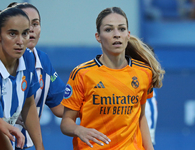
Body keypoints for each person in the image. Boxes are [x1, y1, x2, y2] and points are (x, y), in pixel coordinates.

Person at [60, 6, 165, 150]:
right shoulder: (82, 74)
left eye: (121, 29)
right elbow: (66, 122)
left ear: (128, 34)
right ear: (98, 36)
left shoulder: (144, 72)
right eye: (109, 30)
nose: (116, 34)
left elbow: (141, 117)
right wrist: (79, 130)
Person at [7, 2, 66, 149]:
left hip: (21, 145)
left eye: (35, 23)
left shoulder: (41, 60)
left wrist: (98, 104)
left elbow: (60, 107)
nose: (31, 29)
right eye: (25, 23)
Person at [0, 7, 44, 150]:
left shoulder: (27, 58)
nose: (20, 41)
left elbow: (28, 104)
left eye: (25, 33)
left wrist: (40, 147)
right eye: (12, 34)